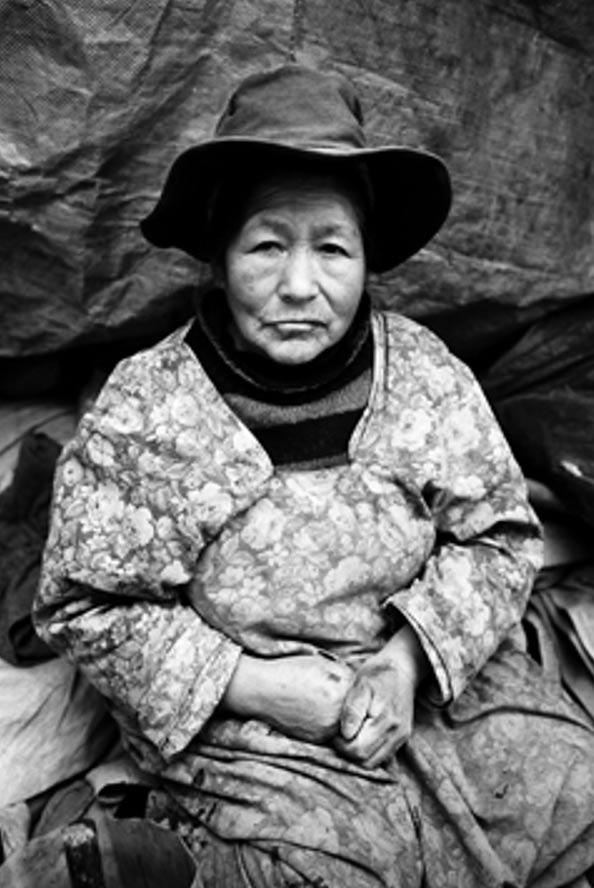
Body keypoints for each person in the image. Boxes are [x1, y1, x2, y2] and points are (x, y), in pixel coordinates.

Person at [34, 64, 594, 888]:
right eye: (267, 245)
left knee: (575, 784)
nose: (301, 285)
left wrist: (406, 664)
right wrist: (258, 687)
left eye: (332, 247)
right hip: (248, 717)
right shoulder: (147, 407)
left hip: (425, 691)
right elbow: (84, 605)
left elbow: (501, 536)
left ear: (366, 259)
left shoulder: (425, 375)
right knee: (339, 867)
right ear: (221, 260)